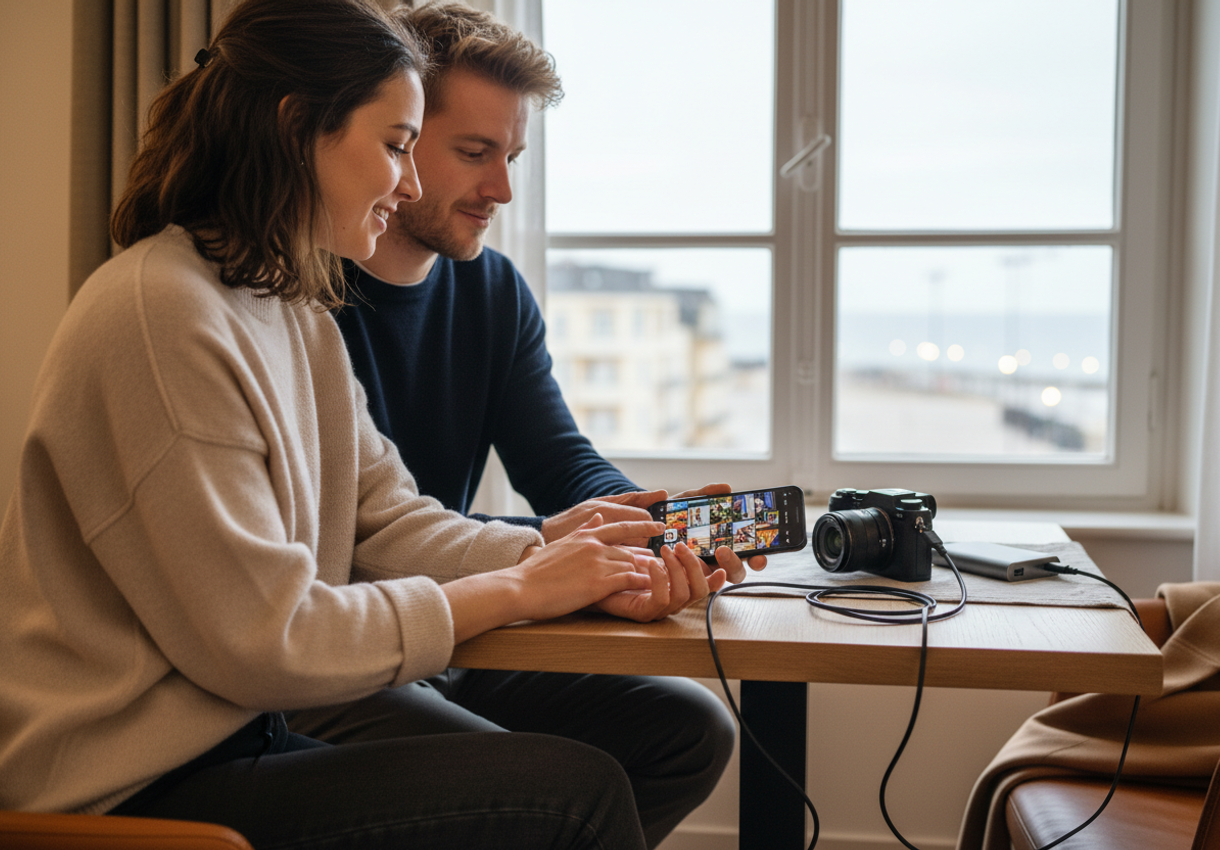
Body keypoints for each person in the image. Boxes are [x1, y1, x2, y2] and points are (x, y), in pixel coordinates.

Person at [0, 2, 723, 848]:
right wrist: (522, 587)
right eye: (393, 146)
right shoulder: (162, 313)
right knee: (573, 796)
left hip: (239, 728)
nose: (409, 182)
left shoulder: (289, 308)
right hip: (132, 779)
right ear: (296, 128)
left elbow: (384, 517)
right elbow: (264, 641)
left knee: (645, 747)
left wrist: (558, 555)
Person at [318, 7, 754, 846]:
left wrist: (646, 530)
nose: (502, 191)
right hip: (350, 647)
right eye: (475, 154)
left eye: (511, 158)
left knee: (689, 732)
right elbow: (357, 541)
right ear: (401, 145)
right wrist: (558, 551)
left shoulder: (491, 292)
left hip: (457, 629)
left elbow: (558, 460)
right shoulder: (298, 300)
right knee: (568, 796)